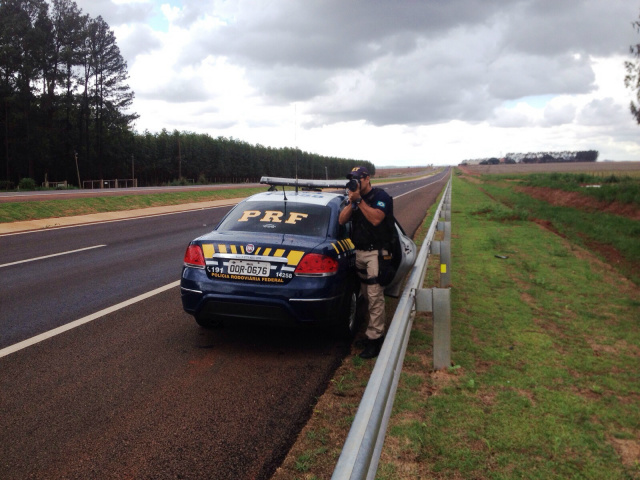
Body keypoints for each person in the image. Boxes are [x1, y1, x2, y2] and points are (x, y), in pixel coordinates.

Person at [339, 166, 394, 359]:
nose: (354, 183)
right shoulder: (354, 199)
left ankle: (375, 340)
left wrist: (360, 201)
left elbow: (377, 219)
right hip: (360, 252)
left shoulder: (381, 197)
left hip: (376, 254)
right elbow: (341, 220)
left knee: (375, 296)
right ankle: (371, 335)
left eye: (357, 179)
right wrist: (351, 202)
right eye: (351, 179)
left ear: (367, 179)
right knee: (366, 296)